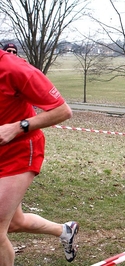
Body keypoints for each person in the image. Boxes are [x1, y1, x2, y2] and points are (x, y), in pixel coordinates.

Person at [0, 49, 79, 264]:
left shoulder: (14, 68)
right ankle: (65, 231)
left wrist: (17, 127)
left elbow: (63, 111)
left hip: (20, 150)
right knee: (15, 223)